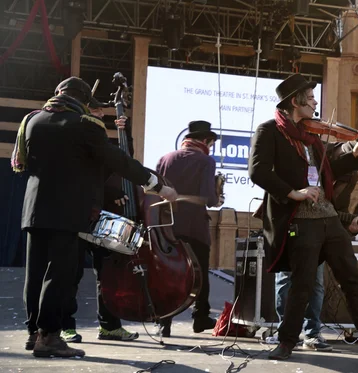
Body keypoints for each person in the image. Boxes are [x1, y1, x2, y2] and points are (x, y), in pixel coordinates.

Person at [14, 76, 177, 358]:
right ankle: (49, 336)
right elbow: (117, 160)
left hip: (34, 208)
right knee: (59, 274)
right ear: (82, 100)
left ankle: (34, 332)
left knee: (36, 273)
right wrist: (155, 183)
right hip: (66, 211)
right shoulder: (84, 125)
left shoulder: (32, 120)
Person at [248, 73, 358, 360]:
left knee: (352, 280)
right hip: (300, 220)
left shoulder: (312, 138)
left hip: (329, 218)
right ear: (295, 101)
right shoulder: (269, 131)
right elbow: (257, 171)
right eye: (309, 98)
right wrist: (293, 192)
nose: (314, 102)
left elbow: (328, 171)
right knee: (302, 283)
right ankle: (286, 342)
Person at [273, 142, 358, 352]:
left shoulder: (348, 178)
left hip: (325, 230)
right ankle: (284, 332)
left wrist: (352, 228)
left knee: (316, 284)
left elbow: (340, 210)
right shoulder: (313, 156)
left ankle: (311, 333)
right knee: (290, 280)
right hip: (296, 224)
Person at [59, 105, 139, 344]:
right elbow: (81, 179)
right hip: (78, 216)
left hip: (103, 219)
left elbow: (123, 161)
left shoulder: (101, 143)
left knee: (107, 275)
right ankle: (65, 327)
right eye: (95, 111)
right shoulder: (75, 143)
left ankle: (110, 327)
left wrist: (126, 135)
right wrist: (109, 191)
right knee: (70, 275)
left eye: (101, 113)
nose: (101, 116)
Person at [155, 120, 224, 337]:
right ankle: (200, 317)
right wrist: (217, 198)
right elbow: (208, 198)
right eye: (210, 143)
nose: (210, 147)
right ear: (205, 140)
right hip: (194, 225)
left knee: (167, 273)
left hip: (166, 226)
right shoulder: (206, 161)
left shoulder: (165, 158)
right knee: (199, 273)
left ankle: (164, 321)